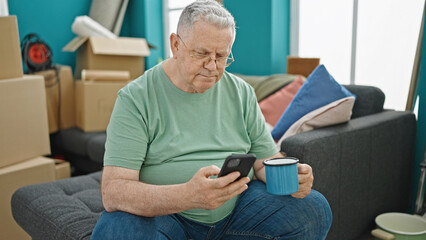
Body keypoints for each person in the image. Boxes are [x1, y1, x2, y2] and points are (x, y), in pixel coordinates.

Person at [91, 0, 332, 239]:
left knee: (314, 209)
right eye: (202, 54)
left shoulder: (241, 92)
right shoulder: (136, 98)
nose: (212, 66)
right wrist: (188, 196)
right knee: (116, 231)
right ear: (175, 45)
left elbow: (264, 160)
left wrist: (293, 177)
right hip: (167, 216)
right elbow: (114, 191)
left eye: (222, 56)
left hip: (237, 210)